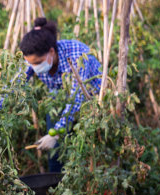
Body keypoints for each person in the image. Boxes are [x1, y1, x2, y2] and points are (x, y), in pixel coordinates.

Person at [20, 17, 102, 172]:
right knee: (56, 154)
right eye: (30, 63)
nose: (33, 67)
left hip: (91, 98)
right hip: (60, 97)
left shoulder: (76, 57)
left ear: (52, 52)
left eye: (37, 63)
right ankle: (56, 183)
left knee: (85, 148)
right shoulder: (33, 55)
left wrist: (56, 134)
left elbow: (77, 98)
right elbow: (15, 83)